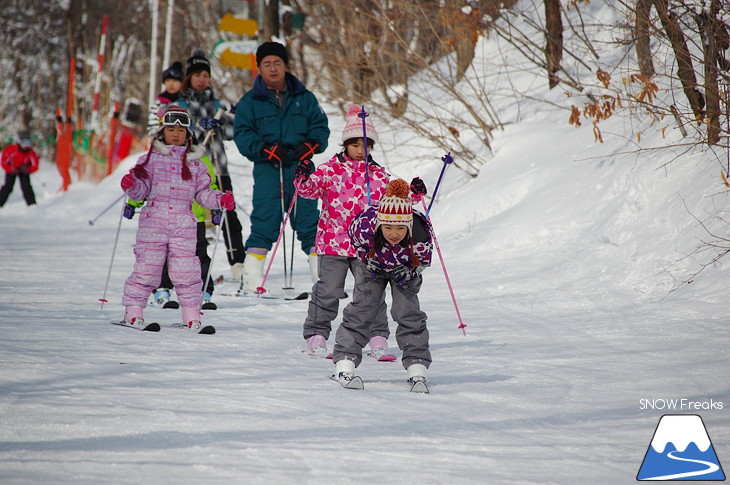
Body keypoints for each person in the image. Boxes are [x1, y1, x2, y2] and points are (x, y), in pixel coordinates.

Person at [119, 105, 234, 331]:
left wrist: (220, 200)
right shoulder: (148, 160)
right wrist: (132, 186)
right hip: (154, 221)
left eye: (181, 131)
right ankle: (133, 310)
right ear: (162, 132)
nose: (176, 134)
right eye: (171, 129)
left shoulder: (195, 164)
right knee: (148, 267)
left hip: (184, 222)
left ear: (187, 134)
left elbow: (203, 192)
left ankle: (191, 315)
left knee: (186, 269)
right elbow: (141, 191)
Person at [295, 105, 392, 357]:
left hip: (367, 246)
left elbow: (395, 201)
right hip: (332, 242)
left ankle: (377, 335)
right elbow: (309, 190)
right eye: (355, 145)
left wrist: (412, 193)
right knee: (328, 290)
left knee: (371, 291)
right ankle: (317, 333)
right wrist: (303, 177)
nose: (361, 151)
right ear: (345, 145)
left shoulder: (380, 175)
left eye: (366, 145)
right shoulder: (330, 170)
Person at [233, 41, 330, 294]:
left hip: (301, 166)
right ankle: (253, 279)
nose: (273, 68)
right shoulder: (249, 101)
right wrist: (262, 148)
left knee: (309, 221)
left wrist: (310, 145)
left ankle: (323, 279)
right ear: (259, 68)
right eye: (267, 64)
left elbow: (321, 128)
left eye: (277, 63)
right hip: (268, 167)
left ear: (286, 65)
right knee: (265, 219)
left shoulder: (305, 98)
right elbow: (242, 135)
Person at [332, 178, 433, 390]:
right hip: (372, 266)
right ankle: (345, 363)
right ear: (379, 224)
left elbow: (424, 260)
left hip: (405, 269)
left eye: (400, 228)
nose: (393, 234)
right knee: (363, 309)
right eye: (387, 227)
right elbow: (356, 243)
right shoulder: (365, 227)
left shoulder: (420, 234)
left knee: (407, 312)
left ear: (408, 226)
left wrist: (409, 271)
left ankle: (417, 367)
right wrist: (370, 261)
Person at [176, 50, 246, 282]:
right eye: (197, 74)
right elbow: (177, 136)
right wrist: (198, 127)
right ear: (189, 77)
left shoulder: (217, 104)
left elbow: (230, 133)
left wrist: (231, 119)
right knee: (189, 217)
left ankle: (238, 263)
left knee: (228, 212)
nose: (202, 79)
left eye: (206, 74)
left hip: (217, 166)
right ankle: (182, 264)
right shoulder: (180, 104)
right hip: (188, 169)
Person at [124, 145, 220, 311]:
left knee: (197, 256)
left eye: (182, 131)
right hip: (161, 220)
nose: (177, 135)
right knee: (160, 256)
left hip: (193, 218)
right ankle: (162, 289)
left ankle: (203, 292)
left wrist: (216, 205)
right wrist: (132, 203)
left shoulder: (199, 159)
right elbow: (146, 184)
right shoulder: (154, 159)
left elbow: (208, 186)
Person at [0, 132, 39, 207]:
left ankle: (32, 205)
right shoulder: (11, 149)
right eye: (24, 143)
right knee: (8, 187)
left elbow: (35, 165)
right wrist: (11, 169)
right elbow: (3, 162)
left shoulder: (30, 152)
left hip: (23, 171)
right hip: (12, 171)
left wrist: (28, 169)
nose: (26, 146)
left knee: (26, 187)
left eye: (28, 143)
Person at [147, 61, 184, 136]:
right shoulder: (158, 105)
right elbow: (152, 129)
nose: (171, 84)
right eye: (168, 81)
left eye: (175, 81)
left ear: (181, 83)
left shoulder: (186, 103)